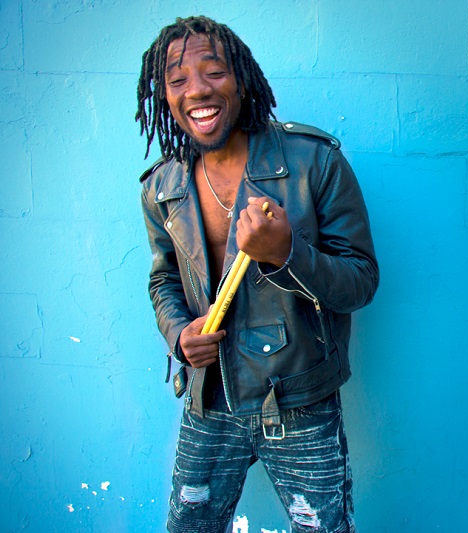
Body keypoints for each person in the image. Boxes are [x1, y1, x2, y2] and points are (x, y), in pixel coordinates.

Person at [136, 16, 378, 532]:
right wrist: (179, 334)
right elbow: (164, 280)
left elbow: (360, 281)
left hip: (298, 397)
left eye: (213, 72)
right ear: (164, 95)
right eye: (178, 81)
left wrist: (286, 252)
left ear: (241, 80)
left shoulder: (315, 163)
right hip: (209, 398)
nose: (197, 90)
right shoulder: (163, 186)